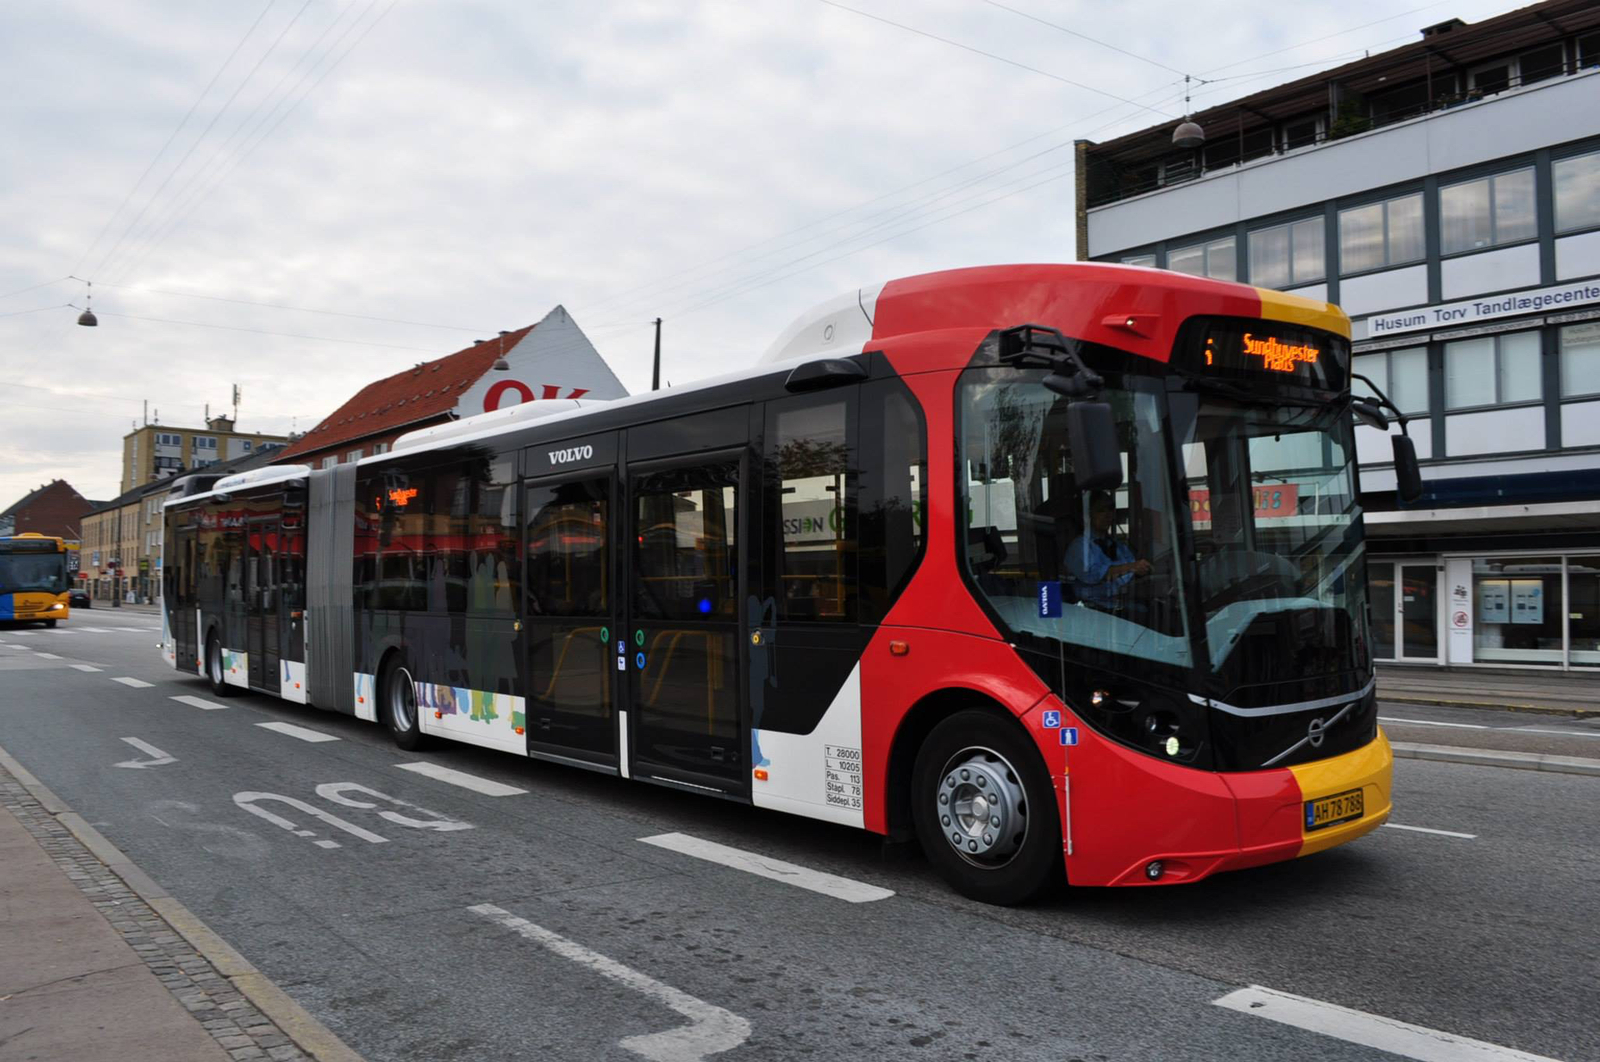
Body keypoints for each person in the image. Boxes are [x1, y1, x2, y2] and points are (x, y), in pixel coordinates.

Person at [1064, 490, 1151, 609]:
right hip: (1092, 610)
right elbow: (1094, 575)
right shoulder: (1079, 547)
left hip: (1123, 606)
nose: (1108, 514)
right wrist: (1132, 567)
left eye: (1110, 509)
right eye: (1101, 510)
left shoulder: (1119, 547)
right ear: (1087, 515)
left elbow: (1131, 576)